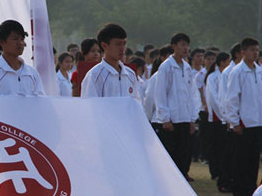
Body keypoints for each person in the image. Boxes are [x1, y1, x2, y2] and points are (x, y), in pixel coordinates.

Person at [145, 33, 198, 180]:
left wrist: (192, 118)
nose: (185, 48)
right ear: (174, 46)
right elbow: (160, 94)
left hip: (184, 118)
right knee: (171, 155)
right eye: (182, 44)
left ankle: (181, 184)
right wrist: (165, 118)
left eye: (187, 45)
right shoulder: (166, 66)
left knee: (183, 153)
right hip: (171, 120)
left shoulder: (187, 68)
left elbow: (190, 95)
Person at [225, 37, 262, 196]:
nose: (255, 53)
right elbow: (232, 99)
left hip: (257, 121)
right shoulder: (237, 72)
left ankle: (251, 190)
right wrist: (234, 122)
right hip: (243, 122)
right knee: (241, 158)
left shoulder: (260, 71)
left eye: (257, 50)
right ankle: (239, 190)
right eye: (251, 50)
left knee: (253, 159)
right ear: (243, 52)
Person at [0, 20, 45, 97]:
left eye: (22, 39)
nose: (20, 43)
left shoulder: (32, 73)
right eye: (15, 38)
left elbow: (40, 102)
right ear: (1, 42)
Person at [81, 24, 140, 100]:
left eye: (124, 44)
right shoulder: (95, 76)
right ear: (104, 45)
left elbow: (136, 105)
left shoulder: (130, 74)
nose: (122, 48)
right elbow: (89, 108)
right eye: (118, 44)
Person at [206, 52, 231, 183]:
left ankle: (223, 171)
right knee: (216, 147)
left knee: (225, 147)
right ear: (221, 62)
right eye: (228, 61)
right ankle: (215, 171)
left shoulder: (228, 75)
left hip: (227, 117)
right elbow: (214, 99)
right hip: (217, 117)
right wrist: (223, 115)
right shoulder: (213, 77)